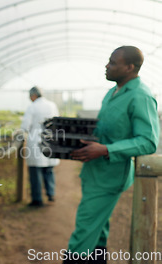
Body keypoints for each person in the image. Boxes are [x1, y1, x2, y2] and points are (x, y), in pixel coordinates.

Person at [64, 46, 159, 264]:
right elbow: (105, 130)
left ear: (130, 67)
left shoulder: (140, 96)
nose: (107, 66)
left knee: (83, 231)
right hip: (95, 172)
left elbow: (148, 141)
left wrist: (106, 149)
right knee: (98, 230)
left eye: (113, 62)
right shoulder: (112, 92)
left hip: (110, 177)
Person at [20, 86, 60, 207]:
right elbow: (57, 121)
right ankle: (50, 193)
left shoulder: (32, 106)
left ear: (33, 96)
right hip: (50, 138)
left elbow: (26, 125)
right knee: (48, 168)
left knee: (35, 170)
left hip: (35, 139)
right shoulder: (52, 105)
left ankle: (37, 199)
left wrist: (21, 134)